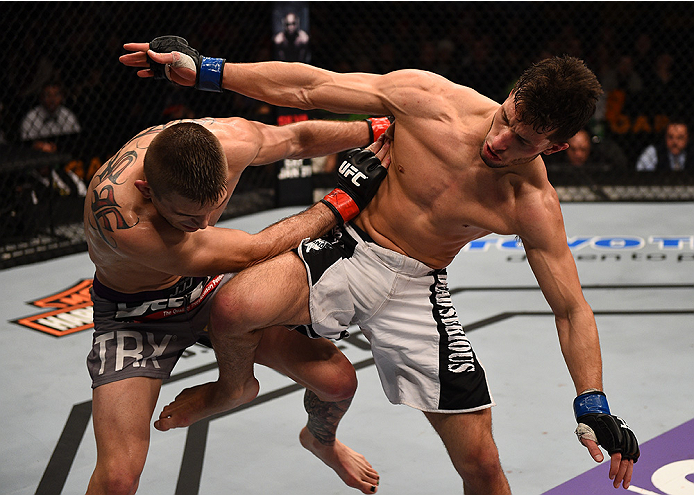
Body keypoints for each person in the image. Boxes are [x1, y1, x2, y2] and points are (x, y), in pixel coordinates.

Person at [120, 38, 640, 493]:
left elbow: (571, 308)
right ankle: (234, 388)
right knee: (233, 307)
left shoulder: (532, 203)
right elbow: (310, 87)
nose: (499, 141)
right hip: (349, 244)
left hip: (418, 286)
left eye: (524, 142)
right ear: (509, 97)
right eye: (506, 118)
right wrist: (207, 70)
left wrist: (592, 401)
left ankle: (318, 437)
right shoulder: (432, 100)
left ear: (558, 146)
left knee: (482, 464)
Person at [83, 110, 392, 494]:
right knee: (117, 478)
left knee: (339, 383)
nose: (201, 224)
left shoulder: (232, 139)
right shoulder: (120, 218)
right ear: (148, 190)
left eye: (212, 208)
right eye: (184, 217)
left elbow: (298, 139)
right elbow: (253, 252)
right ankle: (232, 389)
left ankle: (320, 441)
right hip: (139, 316)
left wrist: (381, 128)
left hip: (212, 286)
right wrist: (346, 197)